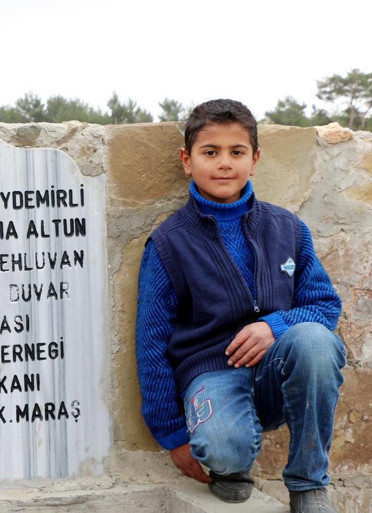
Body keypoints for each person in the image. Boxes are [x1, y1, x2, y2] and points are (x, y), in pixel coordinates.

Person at [136, 99, 345, 513]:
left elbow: (324, 305)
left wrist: (274, 327)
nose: (224, 163)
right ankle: (231, 462)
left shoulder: (287, 228)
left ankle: (308, 483)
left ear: (255, 159)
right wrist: (172, 435)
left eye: (237, 152)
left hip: (276, 373)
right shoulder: (168, 244)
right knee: (224, 449)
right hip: (211, 374)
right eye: (210, 152)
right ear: (187, 161)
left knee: (316, 341)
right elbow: (151, 342)